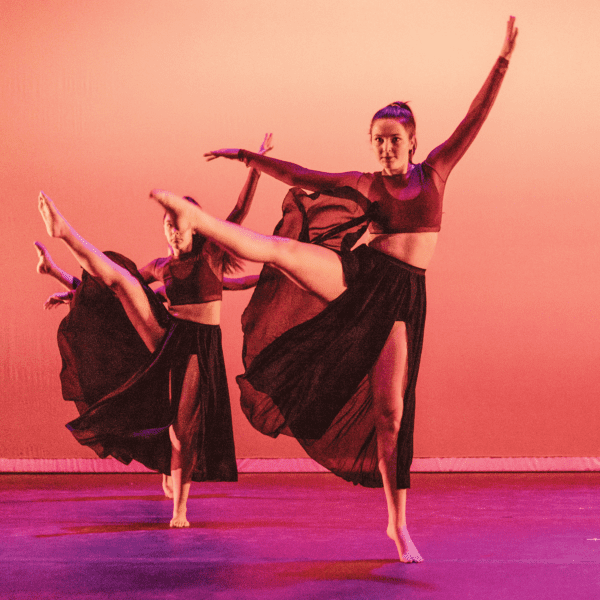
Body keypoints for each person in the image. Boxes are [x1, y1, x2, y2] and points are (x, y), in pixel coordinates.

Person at [150, 18, 518, 560]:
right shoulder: (365, 184)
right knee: (281, 250)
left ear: (413, 142)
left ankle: (397, 526)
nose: (385, 148)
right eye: (378, 141)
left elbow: (474, 118)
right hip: (363, 277)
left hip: (402, 298)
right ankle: (198, 221)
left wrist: (502, 61)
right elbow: (304, 176)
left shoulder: (436, 173)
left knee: (390, 414)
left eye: (394, 140)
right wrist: (250, 158)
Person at [36, 134, 272, 528]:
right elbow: (114, 290)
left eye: (179, 225)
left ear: (195, 229)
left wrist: (256, 168)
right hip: (169, 336)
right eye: (168, 225)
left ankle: (180, 507)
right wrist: (67, 285)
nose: (173, 232)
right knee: (124, 281)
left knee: (183, 429)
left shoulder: (212, 252)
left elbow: (239, 213)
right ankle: (66, 233)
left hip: (201, 344)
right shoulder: (162, 266)